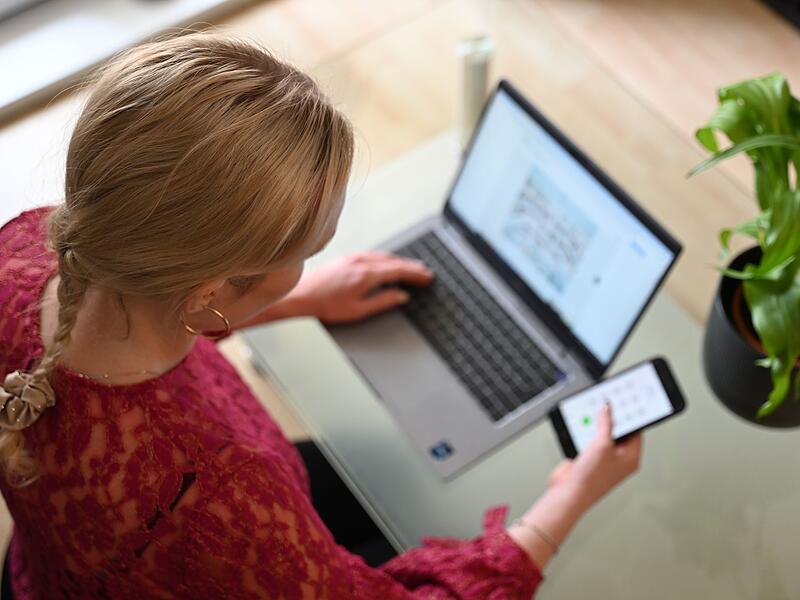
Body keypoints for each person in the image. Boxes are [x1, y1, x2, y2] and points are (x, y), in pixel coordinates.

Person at [0, 33, 642, 599]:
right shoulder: (225, 494)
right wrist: (566, 501)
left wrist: (302, 295)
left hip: (50, 575)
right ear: (209, 288)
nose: (312, 262)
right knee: (416, 494)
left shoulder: (30, 250)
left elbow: (145, 310)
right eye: (306, 252)